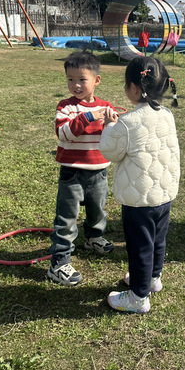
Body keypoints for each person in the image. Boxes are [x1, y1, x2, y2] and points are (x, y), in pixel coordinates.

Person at [100, 56, 179, 314]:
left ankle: (138, 296)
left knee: (140, 246)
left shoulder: (127, 123)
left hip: (139, 200)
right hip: (164, 193)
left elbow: (110, 151)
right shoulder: (166, 114)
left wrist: (109, 125)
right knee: (157, 240)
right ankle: (152, 279)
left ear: (135, 88)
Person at [48, 51, 116, 286]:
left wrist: (111, 123)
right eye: (70, 79)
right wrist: (87, 117)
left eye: (81, 79)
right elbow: (63, 133)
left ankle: (94, 238)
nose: (75, 85)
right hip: (72, 171)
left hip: (99, 169)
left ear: (97, 80)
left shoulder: (106, 106)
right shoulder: (66, 107)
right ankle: (59, 262)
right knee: (67, 218)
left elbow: (112, 137)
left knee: (98, 209)